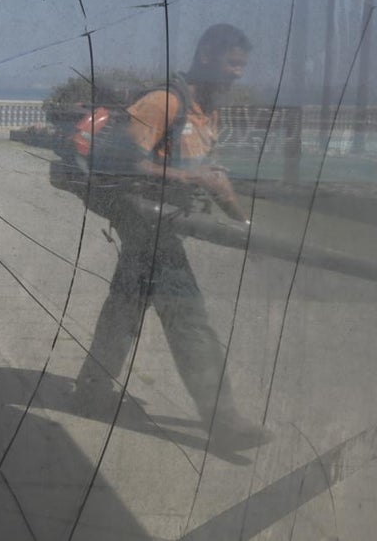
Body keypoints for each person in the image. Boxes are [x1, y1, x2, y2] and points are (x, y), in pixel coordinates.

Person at [73, 23, 264, 447]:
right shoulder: (162, 103)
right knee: (189, 316)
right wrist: (189, 176)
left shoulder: (207, 110)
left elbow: (213, 178)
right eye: (233, 64)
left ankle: (89, 391)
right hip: (145, 221)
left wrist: (246, 227)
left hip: (164, 223)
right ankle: (223, 419)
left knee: (125, 306)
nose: (238, 74)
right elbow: (125, 164)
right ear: (206, 57)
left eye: (243, 66)